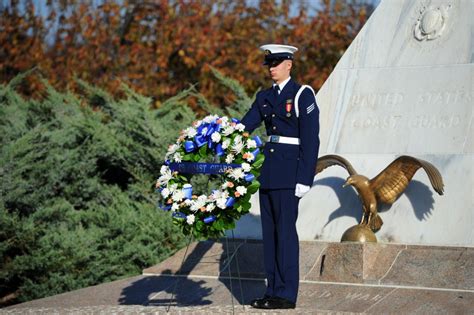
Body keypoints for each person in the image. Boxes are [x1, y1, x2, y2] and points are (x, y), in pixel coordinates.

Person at [241, 44, 320, 309]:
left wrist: (305, 177)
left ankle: (286, 294)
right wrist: (211, 133)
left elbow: (310, 139)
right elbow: (243, 126)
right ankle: (272, 290)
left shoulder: (302, 95)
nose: (272, 68)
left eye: (276, 63)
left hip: (289, 174)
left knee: (285, 234)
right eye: (269, 64)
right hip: (269, 174)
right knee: (271, 235)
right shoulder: (264, 97)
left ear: (289, 64)